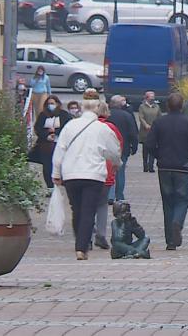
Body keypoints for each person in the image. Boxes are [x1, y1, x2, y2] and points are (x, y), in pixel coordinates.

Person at [52, 96, 121, 260]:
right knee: (89, 210)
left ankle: (80, 241)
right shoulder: (102, 129)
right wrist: (116, 163)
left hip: (71, 174)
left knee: (77, 209)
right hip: (93, 174)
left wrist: (56, 172)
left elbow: (60, 149)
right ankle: (81, 248)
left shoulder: (70, 126)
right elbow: (113, 150)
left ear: (82, 109)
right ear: (97, 109)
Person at [145, 93, 188, 250]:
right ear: (182, 105)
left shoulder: (159, 122)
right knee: (182, 198)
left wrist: (159, 156)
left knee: (167, 201)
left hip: (164, 167)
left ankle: (170, 240)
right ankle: (178, 222)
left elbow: (149, 144)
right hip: (182, 167)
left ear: (167, 106)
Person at [94, 99, 123, 250]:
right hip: (106, 170)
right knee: (102, 204)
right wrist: (116, 165)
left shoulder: (87, 127)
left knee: (87, 203)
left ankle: (87, 232)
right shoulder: (110, 128)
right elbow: (118, 147)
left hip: (88, 169)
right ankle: (101, 233)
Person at [33, 95, 72, 192]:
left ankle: (61, 183)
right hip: (46, 145)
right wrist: (47, 135)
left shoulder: (64, 115)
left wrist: (56, 132)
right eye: (49, 104)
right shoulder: (43, 115)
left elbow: (67, 128)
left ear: (57, 104)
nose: (51, 105)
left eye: (52, 103)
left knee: (60, 164)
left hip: (60, 143)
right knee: (47, 165)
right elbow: (38, 128)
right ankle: (50, 187)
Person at [108, 95, 138, 202]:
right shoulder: (127, 115)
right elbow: (133, 132)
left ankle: (110, 195)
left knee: (109, 171)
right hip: (122, 148)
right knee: (120, 172)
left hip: (107, 148)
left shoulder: (106, 115)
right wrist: (134, 147)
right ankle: (119, 195)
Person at [137, 91, 161, 173]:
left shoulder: (157, 107)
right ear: (146, 97)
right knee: (145, 149)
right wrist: (146, 125)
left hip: (154, 131)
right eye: (151, 96)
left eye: (153, 96)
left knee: (153, 148)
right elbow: (141, 117)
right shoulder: (142, 107)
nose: (153, 98)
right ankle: (145, 166)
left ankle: (151, 166)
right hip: (145, 131)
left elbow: (159, 117)